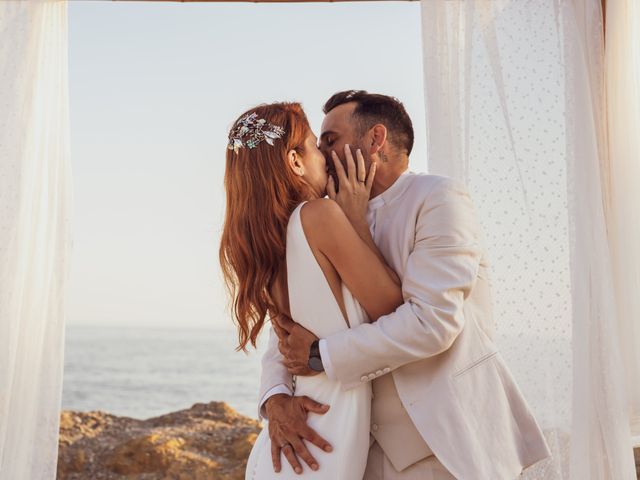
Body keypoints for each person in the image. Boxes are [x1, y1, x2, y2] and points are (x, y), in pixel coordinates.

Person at [263, 90, 553, 479]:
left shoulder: (438, 199)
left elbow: (431, 324)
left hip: (442, 443)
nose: (322, 154)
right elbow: (289, 322)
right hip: (354, 448)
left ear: (375, 140)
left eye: (330, 141)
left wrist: (320, 356)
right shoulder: (319, 217)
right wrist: (276, 395)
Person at [219, 102, 404, 479]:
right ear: (295, 160)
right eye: (314, 147)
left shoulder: (266, 246)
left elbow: (282, 343)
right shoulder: (319, 217)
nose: (325, 157)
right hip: (322, 441)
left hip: (295, 443)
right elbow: (394, 309)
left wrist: (274, 398)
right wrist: (354, 220)